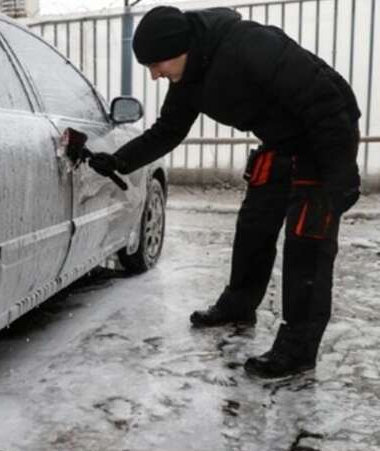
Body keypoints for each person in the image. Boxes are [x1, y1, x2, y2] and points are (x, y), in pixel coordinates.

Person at [87, 6, 361, 379]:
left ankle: (298, 348)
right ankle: (238, 304)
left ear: (180, 47)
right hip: (282, 140)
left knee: (307, 242)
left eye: (156, 64)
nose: (154, 75)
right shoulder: (189, 79)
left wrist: (341, 171)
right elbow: (168, 130)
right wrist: (119, 160)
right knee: (254, 224)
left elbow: (324, 101)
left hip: (326, 133)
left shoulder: (250, 45)